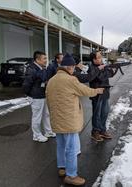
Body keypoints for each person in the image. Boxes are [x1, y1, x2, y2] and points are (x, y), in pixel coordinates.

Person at [46, 53, 104, 186]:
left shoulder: (52, 80)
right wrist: (97, 91)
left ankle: (62, 168)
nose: (74, 70)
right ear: (70, 67)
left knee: (60, 144)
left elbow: (48, 100)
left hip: (57, 119)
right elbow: (84, 90)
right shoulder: (70, 80)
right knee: (71, 148)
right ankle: (71, 175)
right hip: (69, 120)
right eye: (73, 67)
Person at [23, 51, 56, 143]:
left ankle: (48, 132)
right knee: (37, 116)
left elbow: (44, 79)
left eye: (46, 58)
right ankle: (36, 135)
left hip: (43, 95)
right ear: (37, 59)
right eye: (44, 58)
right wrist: (29, 95)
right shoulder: (32, 69)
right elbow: (26, 84)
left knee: (46, 114)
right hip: (36, 97)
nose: (46, 60)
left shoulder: (42, 68)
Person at [89, 51, 117, 142]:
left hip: (105, 93)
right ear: (94, 59)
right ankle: (95, 131)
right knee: (97, 114)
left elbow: (110, 74)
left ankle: (102, 130)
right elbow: (100, 77)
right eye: (99, 57)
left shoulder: (103, 65)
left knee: (104, 112)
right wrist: (105, 72)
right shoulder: (91, 68)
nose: (101, 58)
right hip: (97, 94)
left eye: (101, 57)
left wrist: (114, 69)